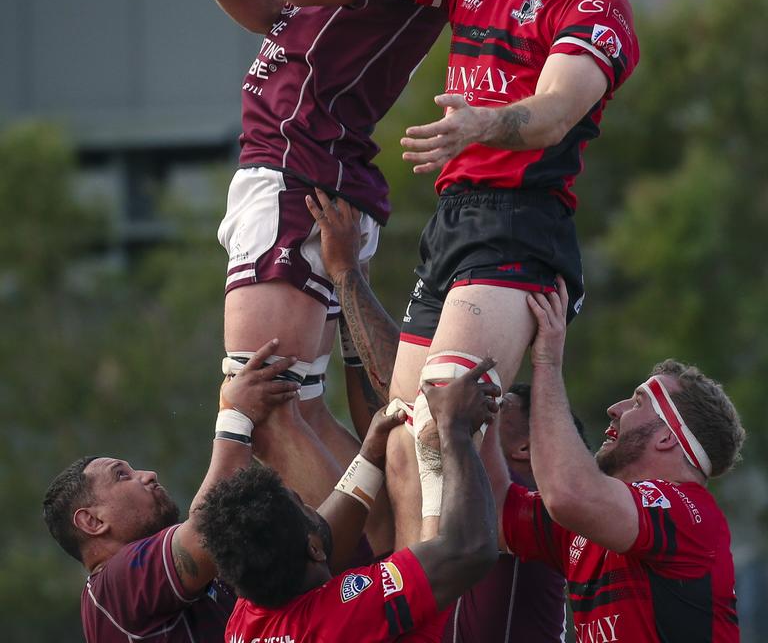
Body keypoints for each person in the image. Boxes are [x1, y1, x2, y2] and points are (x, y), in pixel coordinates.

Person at [228, 0, 640, 545]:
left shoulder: (596, 5)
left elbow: (553, 112)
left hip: (518, 230)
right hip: (454, 225)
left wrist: (486, 124)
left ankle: (465, 604)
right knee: (404, 440)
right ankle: (429, 605)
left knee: (441, 423)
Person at [144, 0, 526, 513]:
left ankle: (373, 576)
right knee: (300, 408)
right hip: (307, 169)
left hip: (300, 168)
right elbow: (285, 16)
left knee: (274, 406)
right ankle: (375, 572)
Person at [307, 188, 577, 643]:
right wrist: (347, 280)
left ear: (526, 447)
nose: (478, 403)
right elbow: (397, 419)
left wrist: (347, 275)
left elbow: (425, 410)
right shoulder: (466, 475)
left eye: (498, 403)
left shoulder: (524, 502)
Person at [502, 279, 744, 642]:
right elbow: (492, 507)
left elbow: (569, 493)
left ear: (667, 436)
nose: (614, 410)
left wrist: (548, 362)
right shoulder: (595, 518)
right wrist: (479, 409)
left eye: (637, 402)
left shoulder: (690, 514)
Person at [196, 358, 501, 643]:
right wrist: (455, 428)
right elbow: (469, 550)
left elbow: (323, 533)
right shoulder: (339, 617)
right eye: (307, 508)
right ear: (313, 549)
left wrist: (368, 458)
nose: (317, 509)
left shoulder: (250, 606)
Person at [42, 341, 300, 643]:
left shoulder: (183, 582)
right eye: (122, 475)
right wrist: (235, 415)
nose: (148, 475)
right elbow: (213, 524)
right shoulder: (113, 586)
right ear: (92, 522)